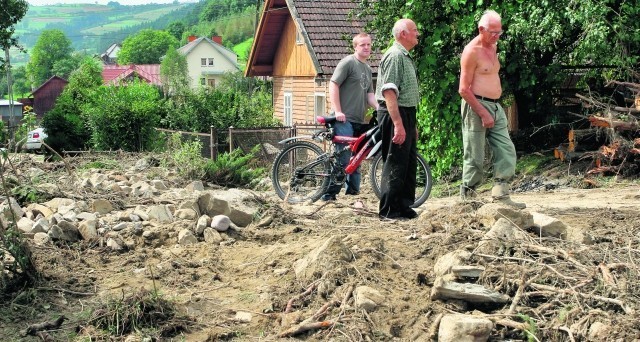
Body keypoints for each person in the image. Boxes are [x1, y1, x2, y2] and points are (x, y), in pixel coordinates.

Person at [458, 10, 525, 209]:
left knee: (506, 149)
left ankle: (501, 195)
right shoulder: (471, 51)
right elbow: (463, 89)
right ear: (481, 29)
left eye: (499, 32)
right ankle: (468, 200)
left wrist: (493, 108)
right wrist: (483, 112)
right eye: (493, 32)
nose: (496, 36)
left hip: (495, 105)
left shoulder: (493, 46)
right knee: (475, 156)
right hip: (475, 105)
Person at [321, 33, 378, 201]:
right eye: (362, 45)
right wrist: (338, 111)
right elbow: (333, 84)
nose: (366, 47)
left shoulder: (367, 69)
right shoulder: (348, 63)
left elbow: (370, 95)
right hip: (343, 119)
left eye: (368, 44)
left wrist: (381, 108)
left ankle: (352, 194)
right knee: (344, 158)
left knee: (357, 157)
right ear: (355, 47)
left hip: (359, 120)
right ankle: (328, 195)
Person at [375, 19, 421, 220]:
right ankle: (389, 211)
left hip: (406, 114)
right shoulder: (394, 56)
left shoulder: (405, 56)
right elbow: (390, 93)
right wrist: (398, 124)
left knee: (408, 163)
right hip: (395, 113)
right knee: (395, 162)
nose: (418, 33)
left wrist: (411, 126)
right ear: (403, 33)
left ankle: (403, 206)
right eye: (414, 30)